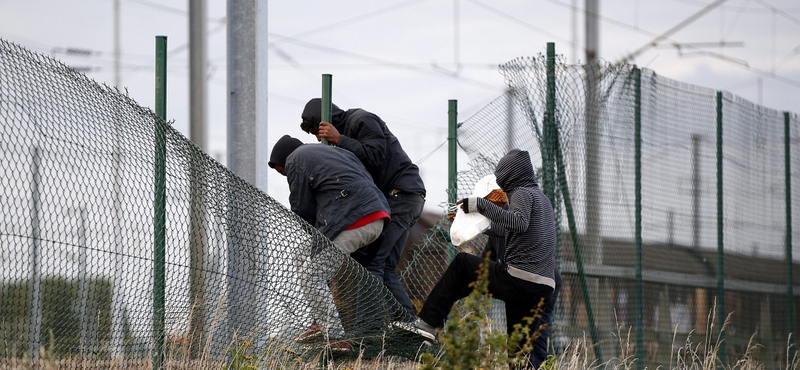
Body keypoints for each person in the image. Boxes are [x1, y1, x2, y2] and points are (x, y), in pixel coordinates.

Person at [397, 149, 557, 369]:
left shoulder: (522, 192)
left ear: (510, 175)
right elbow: (510, 229)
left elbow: (518, 223)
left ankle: (427, 324)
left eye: (501, 178)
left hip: (521, 278)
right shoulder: (542, 199)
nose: (501, 184)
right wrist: (468, 220)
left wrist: (479, 205)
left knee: (463, 264)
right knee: (520, 354)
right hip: (540, 287)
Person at [300, 98, 425, 320]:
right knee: (385, 266)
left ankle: (370, 330)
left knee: (370, 262)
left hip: (400, 196)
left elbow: (376, 156)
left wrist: (339, 139)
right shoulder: (346, 134)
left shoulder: (361, 119)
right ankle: (408, 326)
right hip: (404, 197)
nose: (319, 139)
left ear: (325, 122)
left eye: (316, 131)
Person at [268, 134, 391, 350]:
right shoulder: (334, 153)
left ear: (284, 160)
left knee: (312, 274)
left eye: (283, 171)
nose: (285, 174)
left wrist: (311, 229)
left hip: (356, 220)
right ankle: (321, 320)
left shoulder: (296, 159)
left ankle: (335, 336)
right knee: (301, 254)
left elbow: (301, 208)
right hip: (374, 216)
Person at [447, 182, 562, 368]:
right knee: (526, 339)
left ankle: (537, 365)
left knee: (535, 335)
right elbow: (483, 266)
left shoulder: (515, 219)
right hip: (531, 283)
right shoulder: (496, 230)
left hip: (541, 284)